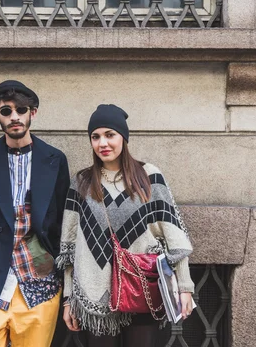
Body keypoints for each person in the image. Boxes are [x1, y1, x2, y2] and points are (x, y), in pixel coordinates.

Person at [56, 104, 194, 346]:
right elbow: (69, 247)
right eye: (95, 137)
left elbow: (174, 234)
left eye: (110, 135)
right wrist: (69, 299)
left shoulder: (149, 176)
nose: (103, 143)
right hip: (95, 293)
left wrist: (185, 286)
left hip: (142, 289)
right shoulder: (81, 182)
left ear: (123, 138)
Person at [0, 80, 70, 347]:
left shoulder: (55, 159)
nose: (15, 116)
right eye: (6, 111)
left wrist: (61, 274)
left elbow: (65, 221)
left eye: (21, 109)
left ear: (33, 112)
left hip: (40, 281)